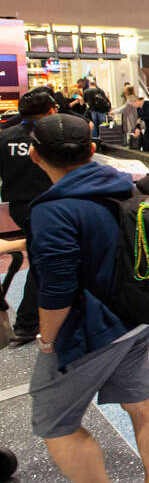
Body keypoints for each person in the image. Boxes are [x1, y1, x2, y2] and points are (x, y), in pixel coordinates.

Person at [26, 113, 149, 483]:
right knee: (140, 401)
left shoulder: (54, 210)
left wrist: (48, 340)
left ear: (35, 156)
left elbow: (56, 290)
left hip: (91, 329)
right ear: (92, 149)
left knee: (56, 422)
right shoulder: (120, 185)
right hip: (136, 312)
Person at [0, 90, 56, 345]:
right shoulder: (52, 135)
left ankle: (29, 321)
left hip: (19, 207)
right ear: (50, 110)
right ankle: (26, 324)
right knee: (44, 261)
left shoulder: (5, 137)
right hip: (48, 206)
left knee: (42, 256)